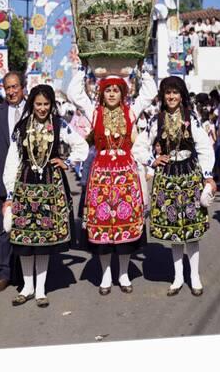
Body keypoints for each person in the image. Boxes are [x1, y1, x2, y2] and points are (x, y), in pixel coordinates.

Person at [3, 85, 88, 307]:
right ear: (32, 104)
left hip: (51, 186)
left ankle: (40, 289)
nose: (42, 108)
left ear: (52, 105)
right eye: (38, 104)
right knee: (24, 241)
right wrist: (10, 194)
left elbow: (82, 146)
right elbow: (12, 161)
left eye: (46, 104)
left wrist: (67, 162)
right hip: (25, 186)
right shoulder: (21, 127)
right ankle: (26, 287)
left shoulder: (60, 125)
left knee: (43, 241)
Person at [133, 76, 216, 297]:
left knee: (191, 230)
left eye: (175, 92)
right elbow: (138, 147)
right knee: (174, 232)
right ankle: (178, 277)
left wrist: (208, 176)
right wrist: (153, 160)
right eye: (167, 93)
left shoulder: (192, 117)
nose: (171, 96)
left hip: (190, 176)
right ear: (162, 96)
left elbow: (205, 147)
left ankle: (194, 276)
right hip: (167, 178)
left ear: (182, 95)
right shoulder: (155, 120)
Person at [82, 77, 153, 295]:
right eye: (108, 90)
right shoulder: (94, 112)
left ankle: (123, 274)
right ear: (101, 94)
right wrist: (87, 68)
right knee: (103, 227)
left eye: (116, 90)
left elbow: (150, 92)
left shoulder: (130, 112)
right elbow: (74, 92)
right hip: (101, 177)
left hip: (125, 176)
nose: (112, 94)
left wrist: (140, 69)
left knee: (125, 225)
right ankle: (105, 275)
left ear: (123, 93)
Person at [0, 71, 27, 293]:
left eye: (14, 87)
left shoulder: (33, 109)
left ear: (22, 87)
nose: (11, 92)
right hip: (2, 181)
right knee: (3, 230)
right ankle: (3, 274)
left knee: (25, 228)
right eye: (7, 87)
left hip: (29, 181)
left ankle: (24, 274)